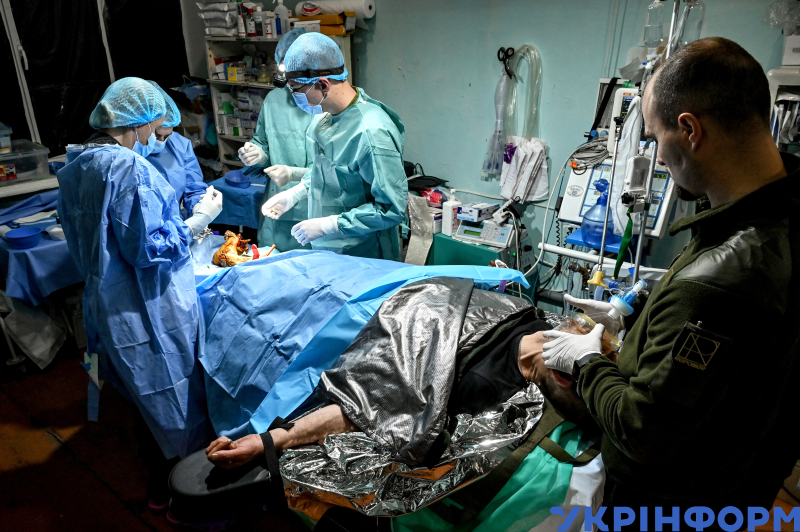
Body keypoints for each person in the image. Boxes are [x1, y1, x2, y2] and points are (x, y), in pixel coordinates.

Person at [541, 37, 800, 520]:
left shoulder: (723, 280)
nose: (658, 158)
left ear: (690, 130)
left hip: (669, 503)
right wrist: (639, 312)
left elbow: (643, 432)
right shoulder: (780, 212)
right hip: (745, 479)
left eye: (655, 137)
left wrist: (586, 362)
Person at [57, 77, 223, 509]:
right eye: (155, 126)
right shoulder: (128, 167)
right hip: (144, 305)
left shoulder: (79, 162)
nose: (156, 135)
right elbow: (149, 249)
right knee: (172, 397)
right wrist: (197, 221)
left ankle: (158, 486)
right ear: (140, 122)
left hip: (106, 300)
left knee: (141, 400)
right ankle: (187, 496)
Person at [204, 317, 613, 468]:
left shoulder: (527, 337)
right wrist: (273, 439)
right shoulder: (518, 321)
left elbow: (376, 406)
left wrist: (270, 441)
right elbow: (371, 400)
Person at [261, 33, 408, 261]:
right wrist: (295, 194)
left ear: (322, 84)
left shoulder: (371, 133)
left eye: (296, 89)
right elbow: (328, 173)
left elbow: (391, 208)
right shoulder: (325, 118)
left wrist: (331, 224)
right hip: (331, 250)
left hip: (365, 254)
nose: (294, 97)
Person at [237, 29, 314, 252]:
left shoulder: (324, 103)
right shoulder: (274, 100)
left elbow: (334, 169)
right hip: (276, 205)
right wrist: (257, 154)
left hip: (316, 208)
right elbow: (263, 141)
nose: (290, 81)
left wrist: (293, 173)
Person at [145, 81, 208, 217]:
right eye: (156, 135)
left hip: (177, 219)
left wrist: (198, 206)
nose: (161, 141)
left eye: (167, 136)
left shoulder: (180, 144)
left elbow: (193, 185)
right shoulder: (128, 152)